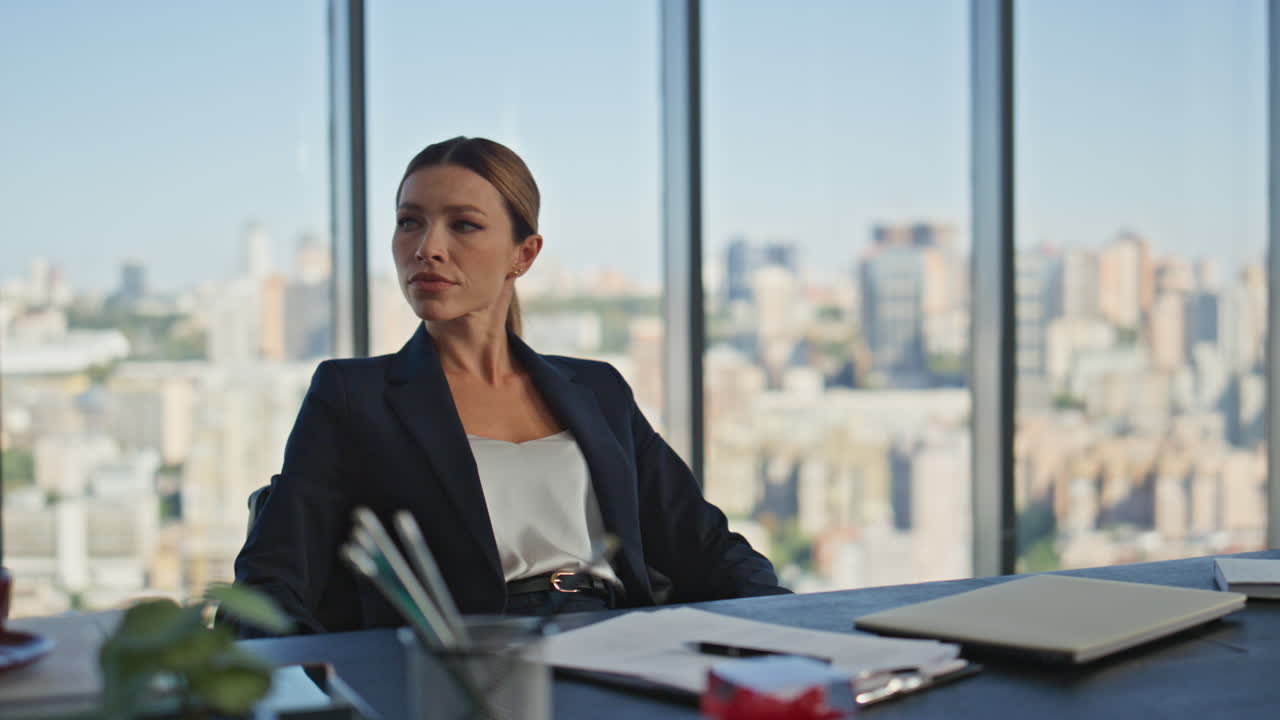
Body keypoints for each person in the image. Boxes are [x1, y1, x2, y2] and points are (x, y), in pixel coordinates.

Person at [233, 137, 788, 635]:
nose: (428, 247)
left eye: (464, 225)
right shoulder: (353, 395)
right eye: (410, 222)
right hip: (465, 665)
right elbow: (272, 583)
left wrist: (799, 629)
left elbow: (706, 548)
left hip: (620, 643)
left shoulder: (597, 389)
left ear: (523, 254)